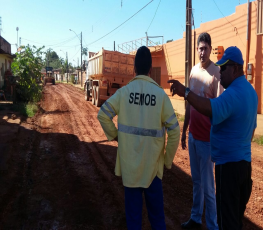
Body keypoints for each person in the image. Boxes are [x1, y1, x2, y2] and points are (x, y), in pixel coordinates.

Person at [168, 46, 257, 230]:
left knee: (226, 221)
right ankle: (196, 217)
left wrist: (185, 92)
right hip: (244, 166)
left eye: (224, 68)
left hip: (229, 168)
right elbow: (252, 130)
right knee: (235, 220)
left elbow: (209, 107)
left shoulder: (232, 94)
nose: (220, 72)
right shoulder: (251, 92)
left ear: (236, 68)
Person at [97, 46, 180, 230]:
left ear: (134, 69)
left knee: (133, 221)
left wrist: (116, 136)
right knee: (158, 220)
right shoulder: (160, 95)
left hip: (130, 170)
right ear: (151, 69)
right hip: (153, 171)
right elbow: (175, 131)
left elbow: (103, 114)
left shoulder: (124, 93)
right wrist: (166, 162)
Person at [181, 32, 223, 230]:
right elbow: (189, 105)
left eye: (205, 48)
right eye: (199, 48)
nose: (202, 52)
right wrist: (184, 131)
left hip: (207, 140)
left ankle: (213, 226)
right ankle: (196, 218)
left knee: (209, 188)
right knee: (196, 181)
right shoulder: (193, 72)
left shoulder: (216, 73)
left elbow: (220, 109)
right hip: (193, 137)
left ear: (210, 49)